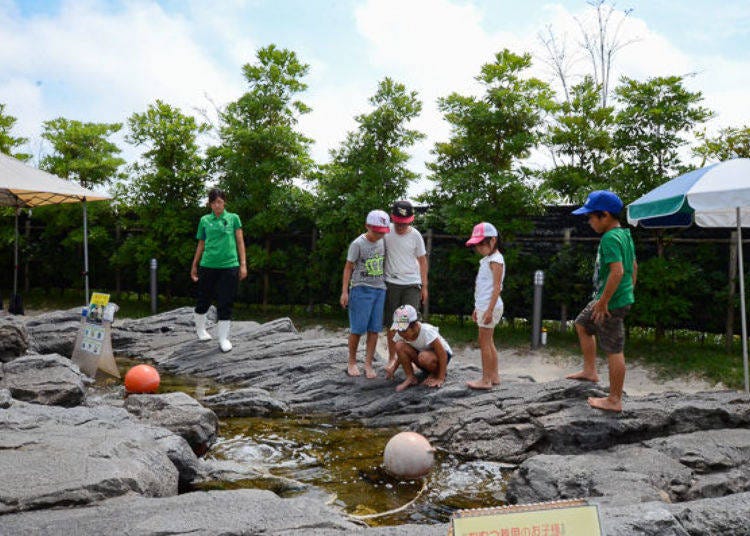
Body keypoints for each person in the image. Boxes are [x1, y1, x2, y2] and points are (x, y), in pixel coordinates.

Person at [567, 190, 637, 413]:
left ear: (604, 215)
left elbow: (617, 272)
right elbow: (633, 266)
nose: (589, 222)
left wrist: (606, 301)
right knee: (582, 324)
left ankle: (614, 399)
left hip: (610, 302)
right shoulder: (624, 235)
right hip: (610, 298)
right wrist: (628, 291)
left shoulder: (609, 239)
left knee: (614, 349)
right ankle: (590, 371)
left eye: (590, 217)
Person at [190, 188, 247, 353]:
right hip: (208, 266)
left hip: (229, 266)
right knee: (203, 301)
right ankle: (200, 330)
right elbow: (201, 243)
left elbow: (240, 242)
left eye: (220, 202)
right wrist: (194, 264)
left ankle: (223, 339)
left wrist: (243, 264)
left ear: (224, 202)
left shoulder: (233, 218)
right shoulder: (204, 220)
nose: (217, 206)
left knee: (225, 302)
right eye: (214, 203)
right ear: (209, 204)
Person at [340, 210, 390, 378]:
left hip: (379, 290)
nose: (379, 235)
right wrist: (344, 291)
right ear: (367, 226)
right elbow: (348, 267)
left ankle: (368, 363)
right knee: (357, 329)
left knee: (375, 329)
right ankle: (352, 361)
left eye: (382, 232)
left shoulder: (384, 241)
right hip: (361, 289)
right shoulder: (358, 244)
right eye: (376, 231)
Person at [383, 200, 429, 379]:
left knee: (410, 323)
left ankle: (412, 359)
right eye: (398, 222)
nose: (401, 226)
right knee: (392, 323)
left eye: (405, 222)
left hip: (411, 283)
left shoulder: (416, 235)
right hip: (391, 283)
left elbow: (423, 260)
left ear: (411, 219)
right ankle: (392, 357)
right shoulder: (386, 234)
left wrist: (424, 286)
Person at [465, 222, 505, 390]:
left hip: (490, 307)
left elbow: (497, 287)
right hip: (484, 306)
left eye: (482, 243)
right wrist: (477, 308)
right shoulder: (487, 259)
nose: (479, 248)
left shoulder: (496, 260)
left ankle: (486, 380)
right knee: (489, 342)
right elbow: (483, 287)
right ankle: (494, 376)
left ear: (493, 240)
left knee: (484, 343)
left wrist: (488, 311)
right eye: (477, 245)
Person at [391, 304, 452, 392]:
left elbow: (442, 353)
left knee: (424, 357)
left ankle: (436, 373)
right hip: (422, 357)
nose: (401, 334)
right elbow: (401, 353)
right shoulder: (401, 334)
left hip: (441, 357)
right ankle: (410, 377)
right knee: (399, 345)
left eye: (403, 330)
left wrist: (440, 378)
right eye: (398, 330)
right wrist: (394, 368)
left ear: (415, 325)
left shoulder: (426, 331)